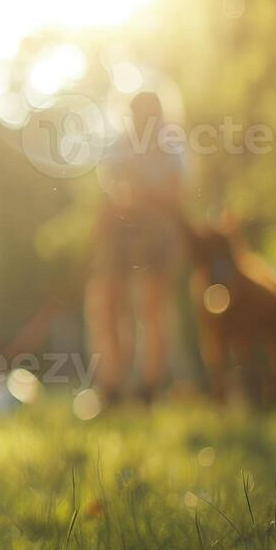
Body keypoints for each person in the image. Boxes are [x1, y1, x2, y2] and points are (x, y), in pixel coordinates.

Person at [86, 92, 187, 404]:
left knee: (152, 308)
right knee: (105, 304)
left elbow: (176, 193)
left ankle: (149, 388)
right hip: (119, 232)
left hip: (157, 232)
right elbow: (109, 191)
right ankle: (112, 386)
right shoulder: (120, 144)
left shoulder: (171, 145)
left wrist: (142, 193)